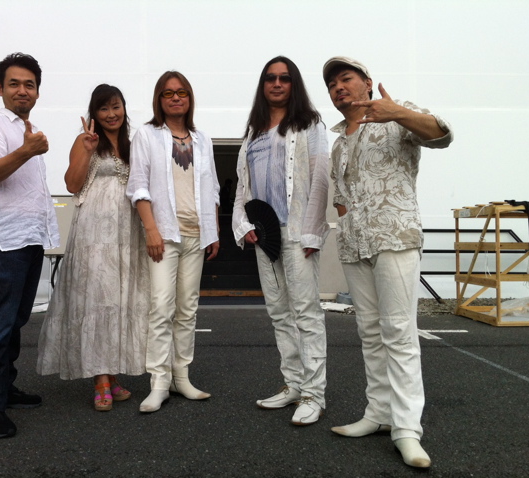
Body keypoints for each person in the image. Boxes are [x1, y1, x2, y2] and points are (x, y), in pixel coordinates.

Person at [322, 56, 453, 468]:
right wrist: (345, 223)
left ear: (367, 83)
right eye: (332, 84)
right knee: (370, 332)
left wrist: (396, 111)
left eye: (346, 78)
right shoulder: (338, 142)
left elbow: (442, 135)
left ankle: (407, 429)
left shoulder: (398, 116)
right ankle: (378, 413)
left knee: (399, 332)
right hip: (355, 245)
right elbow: (340, 197)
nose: (338, 87)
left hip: (395, 238)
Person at [36, 84, 151, 412]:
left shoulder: (132, 144)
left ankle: (110, 374)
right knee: (97, 298)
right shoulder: (86, 140)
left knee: (118, 299)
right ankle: (100, 379)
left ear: (124, 108)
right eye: (104, 108)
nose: (111, 114)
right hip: (93, 233)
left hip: (127, 232)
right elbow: (72, 184)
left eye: (116, 107)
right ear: (94, 113)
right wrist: (87, 150)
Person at [232, 56, 330, 426]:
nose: (276, 84)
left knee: (306, 312)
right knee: (279, 312)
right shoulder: (253, 131)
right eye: (270, 78)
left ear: (294, 84)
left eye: (284, 78)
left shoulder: (309, 124)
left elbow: (320, 178)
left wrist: (312, 230)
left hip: (296, 233)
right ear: (263, 85)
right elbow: (244, 186)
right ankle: (293, 384)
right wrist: (243, 223)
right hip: (265, 237)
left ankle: (314, 394)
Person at [0, 52, 60, 438]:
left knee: (15, 320)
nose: (22, 90)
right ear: (0, 88)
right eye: (14, 83)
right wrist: (27, 151)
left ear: (37, 91)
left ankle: (4, 388)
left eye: (29, 84)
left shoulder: (31, 129)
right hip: (4, 241)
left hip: (29, 238)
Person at [127, 71, 220, 413]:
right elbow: (138, 185)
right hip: (165, 234)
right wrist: (151, 229)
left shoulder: (202, 138)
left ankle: (182, 377)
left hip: (197, 234)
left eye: (181, 92)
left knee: (187, 308)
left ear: (189, 98)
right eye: (168, 93)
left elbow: (213, 188)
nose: (176, 98)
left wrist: (213, 230)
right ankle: (159, 382)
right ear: (159, 99)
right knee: (162, 306)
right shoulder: (147, 135)